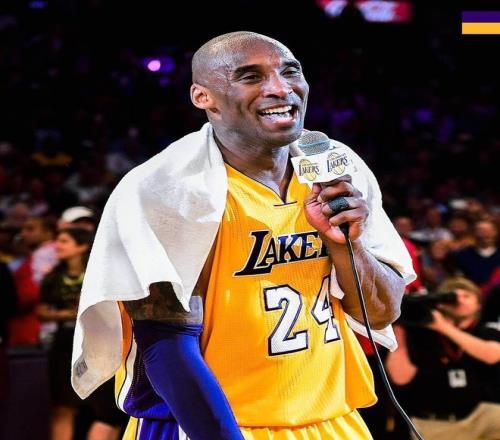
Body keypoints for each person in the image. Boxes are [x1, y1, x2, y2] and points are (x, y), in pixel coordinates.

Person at [71, 31, 415, 440]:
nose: (280, 88)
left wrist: (349, 246)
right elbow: (165, 348)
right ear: (203, 97)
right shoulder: (165, 190)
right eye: (251, 77)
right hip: (210, 425)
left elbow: (381, 312)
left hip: (331, 419)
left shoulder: (335, 168)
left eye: (290, 72)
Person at [38, 228, 126, 440]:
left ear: (82, 246)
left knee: (106, 412)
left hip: (100, 342)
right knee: (63, 407)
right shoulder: (53, 277)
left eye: (64, 241)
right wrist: (70, 314)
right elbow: (41, 312)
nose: (57, 245)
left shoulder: (101, 274)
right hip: (64, 344)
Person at [385, 277, 500, 440]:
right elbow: (400, 377)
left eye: (466, 296)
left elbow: (492, 355)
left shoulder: (485, 330)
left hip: (478, 415)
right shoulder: (421, 332)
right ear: (439, 303)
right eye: (451, 296)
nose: (459, 300)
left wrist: (442, 326)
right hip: (435, 423)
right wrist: (399, 325)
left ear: (478, 304)